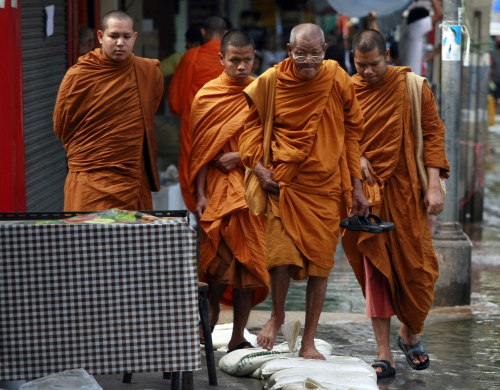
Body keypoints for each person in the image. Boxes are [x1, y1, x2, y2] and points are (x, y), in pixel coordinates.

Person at [239, 23, 370, 360]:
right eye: (301, 53)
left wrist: (357, 185)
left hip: (325, 186)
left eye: (315, 53)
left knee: (321, 266)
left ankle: (309, 340)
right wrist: (256, 165)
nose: (308, 60)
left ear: (325, 50)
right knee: (279, 258)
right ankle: (276, 316)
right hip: (283, 183)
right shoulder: (271, 81)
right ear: (288, 49)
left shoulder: (337, 79)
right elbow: (250, 130)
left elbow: (353, 131)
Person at [345, 29, 450, 378]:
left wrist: (433, 186)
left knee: (419, 271)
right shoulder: (347, 90)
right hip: (366, 194)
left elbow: (433, 134)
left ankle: (409, 332)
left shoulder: (413, 87)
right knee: (376, 270)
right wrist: (356, 156)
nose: (367, 72)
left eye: (373, 64)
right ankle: (384, 352)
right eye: (360, 65)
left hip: (407, 192)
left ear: (387, 54)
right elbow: (336, 134)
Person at [188, 29, 270, 351]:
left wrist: (240, 156)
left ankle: (238, 336)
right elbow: (200, 152)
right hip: (219, 189)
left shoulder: (262, 92)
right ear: (221, 59)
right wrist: (200, 195)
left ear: (254, 58)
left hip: (250, 186)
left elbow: (270, 143)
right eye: (234, 60)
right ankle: (205, 324)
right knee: (218, 264)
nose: (241, 67)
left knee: (248, 265)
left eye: (247, 60)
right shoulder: (206, 96)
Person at [54, 10, 163, 211]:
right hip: (90, 178)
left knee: (131, 240)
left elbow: (146, 112)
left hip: (131, 179)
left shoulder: (148, 72)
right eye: (113, 36)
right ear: (101, 37)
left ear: (134, 38)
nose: (120, 42)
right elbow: (62, 126)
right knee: (90, 239)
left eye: (126, 36)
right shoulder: (80, 75)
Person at [168, 16, 227, 212]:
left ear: (203, 33)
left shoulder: (191, 56)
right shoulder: (232, 58)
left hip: (195, 130)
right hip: (228, 130)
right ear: (226, 34)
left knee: (196, 186)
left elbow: (176, 102)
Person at [398, 0, 443, 76]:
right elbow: (439, 13)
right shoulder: (416, 28)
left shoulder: (410, 34)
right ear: (422, 20)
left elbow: (421, 60)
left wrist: (436, 51)